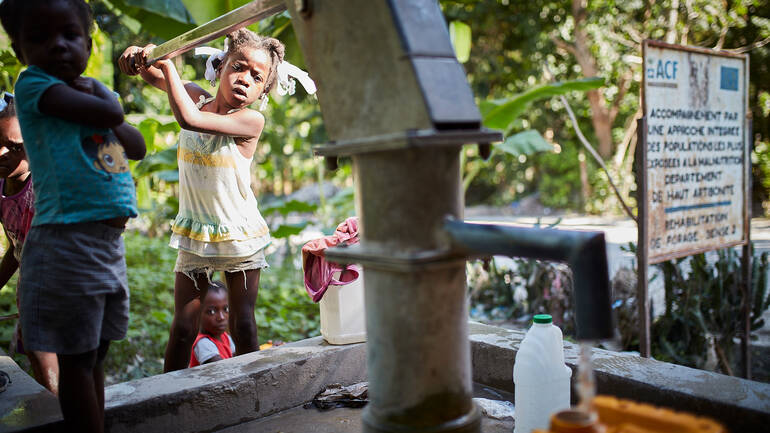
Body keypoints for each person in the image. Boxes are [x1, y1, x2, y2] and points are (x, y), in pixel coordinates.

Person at [0, 0, 146, 431]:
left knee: (96, 354)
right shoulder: (34, 86)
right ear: (20, 50)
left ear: (87, 40)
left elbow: (134, 145)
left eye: (70, 35)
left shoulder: (92, 95)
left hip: (105, 244)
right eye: (40, 38)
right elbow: (110, 114)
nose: (58, 46)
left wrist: (102, 97)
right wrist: (103, 97)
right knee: (78, 361)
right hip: (67, 241)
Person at [118, 28, 284, 371]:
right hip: (197, 231)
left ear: (263, 91)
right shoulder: (194, 96)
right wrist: (140, 56)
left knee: (244, 324)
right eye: (238, 67)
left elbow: (188, 120)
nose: (244, 80)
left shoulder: (250, 120)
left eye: (257, 77)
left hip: (239, 233)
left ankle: (250, 398)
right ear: (220, 65)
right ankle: (167, 399)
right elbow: (151, 73)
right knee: (182, 328)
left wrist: (166, 68)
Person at [0, 93, 59, 394]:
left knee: (53, 372)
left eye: (13, 147)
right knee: (40, 363)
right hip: (32, 290)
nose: (1, 153)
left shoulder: (40, 192)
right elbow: (16, 248)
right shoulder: (3, 187)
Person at [189, 281, 235, 367]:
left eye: (226, 309)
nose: (221, 317)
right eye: (212, 311)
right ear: (197, 314)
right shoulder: (202, 343)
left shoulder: (225, 337)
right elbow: (223, 370)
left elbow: (238, 358)